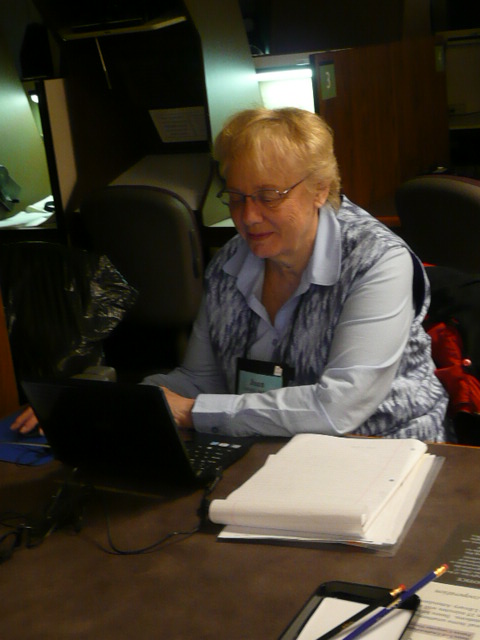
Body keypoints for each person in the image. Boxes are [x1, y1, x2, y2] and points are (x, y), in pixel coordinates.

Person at [142, 106, 448, 441]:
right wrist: (144, 400)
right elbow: (199, 381)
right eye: (236, 197)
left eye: (268, 196)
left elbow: (338, 407)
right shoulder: (228, 264)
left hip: (386, 448)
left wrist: (194, 412)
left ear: (320, 189)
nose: (249, 216)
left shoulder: (376, 260)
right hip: (273, 448)